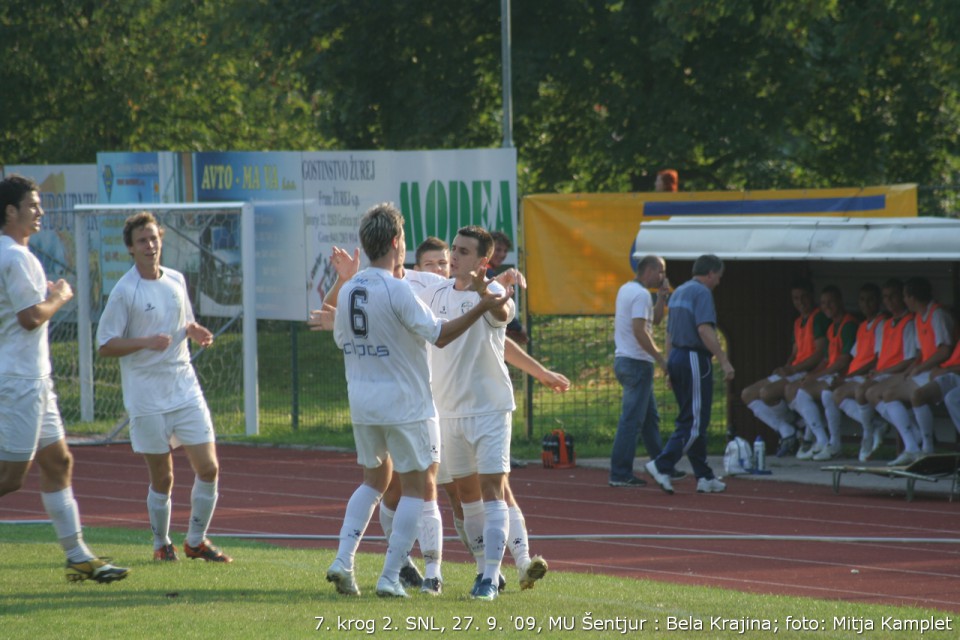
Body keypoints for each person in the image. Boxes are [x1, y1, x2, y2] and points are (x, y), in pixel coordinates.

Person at [323, 204, 510, 598]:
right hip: (405, 404)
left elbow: (341, 339)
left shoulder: (352, 288)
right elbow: (439, 334)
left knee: (373, 482)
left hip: (362, 401)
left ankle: (343, 559)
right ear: (396, 242)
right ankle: (390, 576)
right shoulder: (398, 289)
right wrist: (481, 306)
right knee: (417, 486)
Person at [0, 174, 129, 583]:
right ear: (10, 211)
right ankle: (77, 555)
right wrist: (59, 295)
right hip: (19, 381)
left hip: (34, 378)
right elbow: (30, 317)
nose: (40, 211)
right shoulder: (16, 256)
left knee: (59, 460)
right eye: (32, 205)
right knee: (10, 478)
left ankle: (77, 556)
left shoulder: (14, 253)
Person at [97, 212, 232, 563]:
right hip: (146, 395)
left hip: (184, 386)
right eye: (142, 240)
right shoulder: (125, 291)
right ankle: (161, 544)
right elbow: (105, 344)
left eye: (154, 238)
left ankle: (196, 541)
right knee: (164, 477)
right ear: (130, 247)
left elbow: (184, 321)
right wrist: (143, 342)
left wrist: (194, 330)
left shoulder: (175, 280)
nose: (150, 245)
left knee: (209, 468)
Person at [419, 225, 518, 600]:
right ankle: (482, 567)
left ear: (483, 260)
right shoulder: (436, 292)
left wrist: (484, 290)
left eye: (462, 252)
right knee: (463, 495)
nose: (455, 256)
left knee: (493, 489)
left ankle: (490, 577)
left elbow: (504, 311)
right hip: (446, 411)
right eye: (455, 249)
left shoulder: (492, 292)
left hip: (490, 408)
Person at [645, 254, 734, 494]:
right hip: (694, 357)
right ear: (710, 273)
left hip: (677, 358)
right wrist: (724, 360)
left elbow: (670, 333)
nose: (718, 282)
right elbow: (704, 329)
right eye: (718, 277)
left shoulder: (680, 291)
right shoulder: (702, 293)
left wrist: (669, 366)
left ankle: (704, 475)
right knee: (695, 422)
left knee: (691, 417)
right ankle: (662, 464)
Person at [870, 277, 955, 465]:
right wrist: (910, 370)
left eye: (904, 296)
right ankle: (912, 447)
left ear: (912, 297)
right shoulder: (918, 317)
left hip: (941, 371)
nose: (904, 301)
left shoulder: (937, 314)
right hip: (926, 370)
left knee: (916, 395)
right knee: (888, 394)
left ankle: (927, 448)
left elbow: (944, 350)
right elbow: (920, 354)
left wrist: (919, 368)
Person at [741, 279, 828, 456]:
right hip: (795, 370)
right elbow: (795, 353)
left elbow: (819, 354)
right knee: (747, 394)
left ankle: (796, 423)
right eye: (796, 298)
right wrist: (786, 367)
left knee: (767, 393)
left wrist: (793, 370)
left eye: (804, 297)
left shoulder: (818, 317)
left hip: (807, 372)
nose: (800, 302)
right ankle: (788, 430)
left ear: (812, 297)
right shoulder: (798, 322)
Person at [609, 254, 672, 487]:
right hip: (636, 363)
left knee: (649, 419)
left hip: (627, 361)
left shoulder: (628, 289)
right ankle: (619, 473)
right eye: (661, 271)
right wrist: (661, 359)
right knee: (632, 421)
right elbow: (640, 330)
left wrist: (661, 298)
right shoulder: (640, 294)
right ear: (651, 270)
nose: (663, 276)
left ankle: (663, 464)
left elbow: (652, 321)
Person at [816, 283, 888, 461]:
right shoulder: (864, 325)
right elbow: (856, 356)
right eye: (862, 300)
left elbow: (875, 359)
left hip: (872, 374)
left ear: (878, 301)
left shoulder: (881, 323)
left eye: (870, 299)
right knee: (827, 393)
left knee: (833, 393)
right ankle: (839, 441)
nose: (866, 304)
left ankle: (867, 433)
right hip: (856, 375)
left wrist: (848, 377)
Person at [786, 286, 858, 461]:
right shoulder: (832, 327)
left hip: (847, 374)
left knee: (826, 394)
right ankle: (821, 439)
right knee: (802, 391)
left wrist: (818, 375)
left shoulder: (849, 324)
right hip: (832, 374)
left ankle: (832, 442)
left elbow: (843, 360)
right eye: (824, 303)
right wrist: (814, 375)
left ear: (840, 301)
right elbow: (827, 360)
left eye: (831, 302)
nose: (827, 306)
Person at [486, 230, 528, 345]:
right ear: (487, 249)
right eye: (498, 249)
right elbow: (498, 305)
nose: (502, 254)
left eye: (505, 251)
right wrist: (519, 329)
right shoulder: (486, 274)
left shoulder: (488, 272)